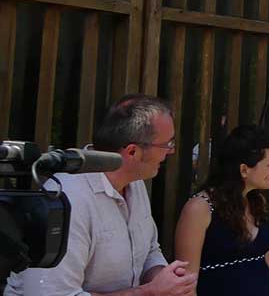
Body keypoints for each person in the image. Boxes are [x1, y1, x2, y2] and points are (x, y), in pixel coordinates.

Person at [4, 95, 197, 296]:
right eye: (167, 143)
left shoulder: (134, 181)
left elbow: (149, 251)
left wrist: (167, 280)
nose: (171, 151)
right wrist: (150, 292)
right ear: (132, 152)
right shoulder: (68, 198)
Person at [174, 125, 269, 296]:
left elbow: (265, 258)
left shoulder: (256, 202)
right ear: (244, 169)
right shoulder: (199, 209)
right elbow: (186, 281)